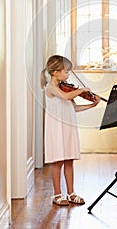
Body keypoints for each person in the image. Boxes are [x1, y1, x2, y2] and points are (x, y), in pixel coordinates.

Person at [40, 55, 100, 206]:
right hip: (56, 128)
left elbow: (73, 107)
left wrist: (91, 105)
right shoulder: (51, 88)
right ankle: (57, 194)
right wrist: (81, 90)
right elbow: (66, 97)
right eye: (66, 71)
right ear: (55, 72)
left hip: (67, 127)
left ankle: (71, 193)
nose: (68, 74)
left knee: (69, 160)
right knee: (57, 161)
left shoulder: (63, 87)